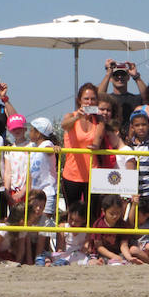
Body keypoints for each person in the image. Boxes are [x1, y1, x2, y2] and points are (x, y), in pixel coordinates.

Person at [60, 82, 106, 218]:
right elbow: (64, 126)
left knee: (92, 215)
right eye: (86, 99)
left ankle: (90, 240)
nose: (89, 102)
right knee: (72, 214)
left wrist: (96, 145)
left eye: (93, 99)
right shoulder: (71, 116)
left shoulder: (99, 119)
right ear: (80, 100)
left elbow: (98, 138)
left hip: (93, 173)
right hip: (72, 173)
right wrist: (77, 117)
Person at [120, 110, 149, 220]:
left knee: (146, 218)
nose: (141, 128)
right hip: (132, 191)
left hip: (147, 191)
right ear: (132, 127)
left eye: (144, 124)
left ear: (148, 126)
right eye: (137, 125)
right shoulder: (128, 145)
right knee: (131, 218)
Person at [89, 194, 140, 265]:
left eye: (118, 213)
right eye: (111, 214)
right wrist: (113, 256)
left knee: (125, 262)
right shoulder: (98, 224)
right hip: (101, 254)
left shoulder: (122, 225)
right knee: (93, 262)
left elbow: (124, 245)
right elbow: (99, 247)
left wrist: (129, 257)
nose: (115, 216)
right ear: (103, 211)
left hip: (119, 254)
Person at [97, 59, 147, 125]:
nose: (120, 77)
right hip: (112, 133)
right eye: (116, 75)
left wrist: (136, 76)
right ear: (111, 79)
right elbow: (98, 96)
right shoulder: (108, 100)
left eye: (123, 74)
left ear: (128, 77)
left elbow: (148, 97)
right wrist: (108, 74)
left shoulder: (135, 99)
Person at [27, 117, 58, 219]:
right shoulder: (34, 147)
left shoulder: (46, 144)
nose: (29, 133)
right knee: (33, 221)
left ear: (38, 133)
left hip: (47, 192)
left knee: (45, 223)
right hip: (35, 192)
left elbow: (48, 150)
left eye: (31, 130)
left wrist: (54, 149)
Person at [3, 114, 31, 208]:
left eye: (19, 128)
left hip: (28, 190)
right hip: (13, 191)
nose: (17, 130)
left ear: (25, 129)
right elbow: (7, 172)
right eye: (14, 128)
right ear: (9, 130)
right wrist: (7, 191)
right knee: (15, 219)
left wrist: (24, 190)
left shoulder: (32, 146)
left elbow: (33, 171)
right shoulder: (9, 149)